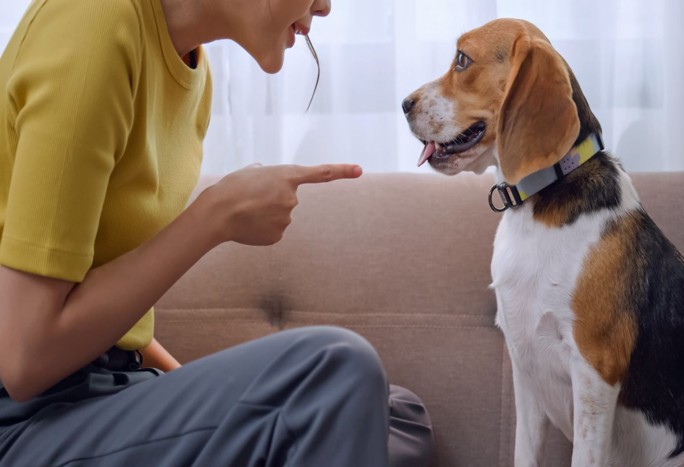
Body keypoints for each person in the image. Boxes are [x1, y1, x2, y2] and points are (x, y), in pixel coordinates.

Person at [0, 0, 434, 465]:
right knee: (337, 372)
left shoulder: (193, 75)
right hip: (27, 420)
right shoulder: (94, 23)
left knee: (395, 415)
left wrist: (220, 404)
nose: (325, 7)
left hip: (106, 392)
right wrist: (215, 216)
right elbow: (26, 361)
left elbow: (117, 323)